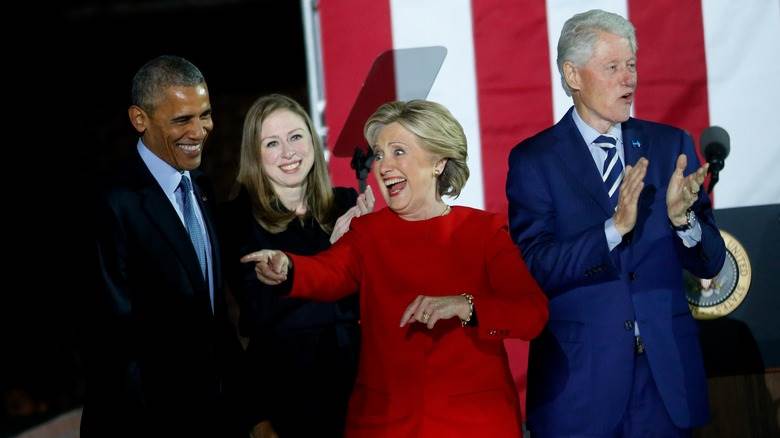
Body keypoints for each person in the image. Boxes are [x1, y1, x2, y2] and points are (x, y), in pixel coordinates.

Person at [241, 100, 549, 437]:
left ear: (438, 162)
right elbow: (327, 272)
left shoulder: (484, 231)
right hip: (384, 423)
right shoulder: (368, 232)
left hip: (473, 422)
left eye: (398, 151)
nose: (384, 165)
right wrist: (288, 268)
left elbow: (530, 313)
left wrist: (465, 305)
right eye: (380, 154)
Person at [506, 9, 727, 437]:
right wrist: (612, 230)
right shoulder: (535, 160)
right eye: (613, 67)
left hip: (663, 384)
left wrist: (684, 222)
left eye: (632, 65)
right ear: (573, 75)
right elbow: (535, 267)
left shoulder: (670, 146)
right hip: (581, 387)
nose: (629, 79)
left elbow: (712, 263)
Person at [82, 55, 244, 437]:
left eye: (204, 114)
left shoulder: (200, 188)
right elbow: (111, 345)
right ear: (140, 120)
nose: (201, 130)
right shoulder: (111, 203)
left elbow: (213, 318)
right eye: (182, 119)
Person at [219, 94, 374, 437]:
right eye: (272, 143)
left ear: (312, 140)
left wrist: (375, 240)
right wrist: (335, 253)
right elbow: (265, 313)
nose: (288, 152)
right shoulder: (235, 221)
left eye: (295, 137)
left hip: (362, 389)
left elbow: (367, 302)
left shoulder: (347, 203)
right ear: (254, 155)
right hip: (289, 397)